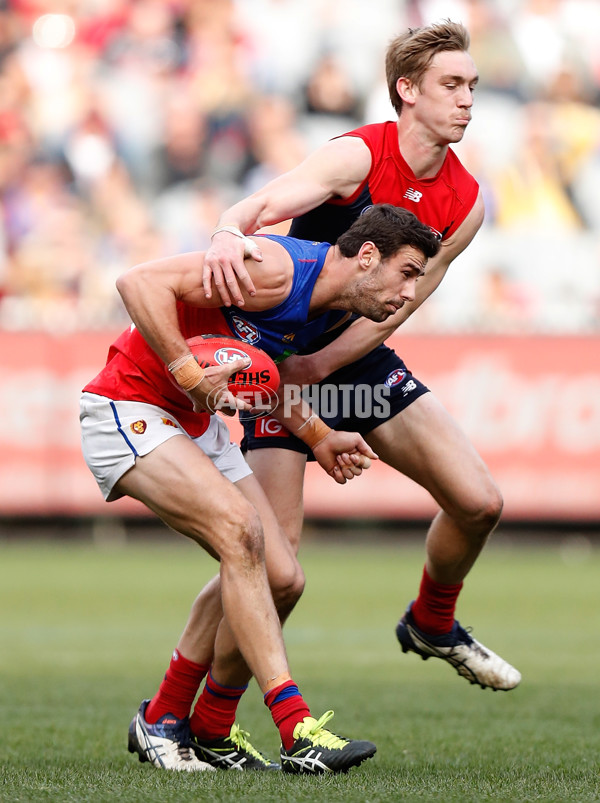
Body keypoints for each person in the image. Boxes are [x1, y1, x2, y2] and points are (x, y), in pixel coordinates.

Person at [178, 19, 523, 768]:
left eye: (471, 86)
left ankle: (433, 621)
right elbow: (259, 206)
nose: (467, 100)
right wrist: (224, 233)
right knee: (275, 563)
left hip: (346, 361)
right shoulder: (356, 154)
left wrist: (322, 368)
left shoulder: (465, 203)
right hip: (279, 356)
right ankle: (195, 719)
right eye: (451, 85)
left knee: (480, 501)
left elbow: (397, 305)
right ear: (407, 90)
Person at [80, 204, 440, 774]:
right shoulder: (277, 268)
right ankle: (296, 728)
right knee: (240, 532)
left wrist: (320, 435)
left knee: (281, 577)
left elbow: (258, 373)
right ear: (367, 256)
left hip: (192, 422)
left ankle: (191, 725)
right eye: (409, 271)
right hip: (129, 406)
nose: (411, 291)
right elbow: (137, 282)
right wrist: (188, 374)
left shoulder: (326, 311)